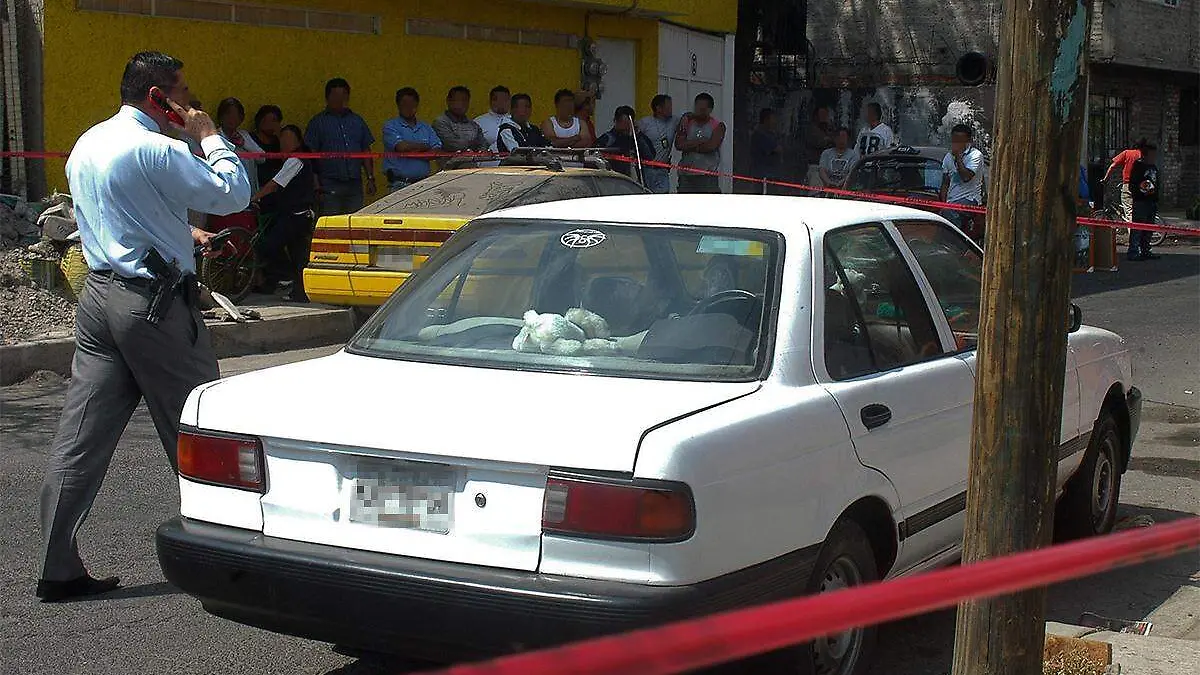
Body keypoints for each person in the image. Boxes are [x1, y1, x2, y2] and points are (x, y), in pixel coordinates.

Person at [36, 51, 250, 603]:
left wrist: (187, 239)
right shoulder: (156, 147)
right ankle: (232, 564)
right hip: (154, 308)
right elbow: (233, 194)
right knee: (201, 429)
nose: (191, 101)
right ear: (160, 96)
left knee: (80, 439)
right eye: (183, 91)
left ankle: (56, 566)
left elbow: (125, 212)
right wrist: (209, 137)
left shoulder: (90, 141)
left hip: (100, 297)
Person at [251, 125, 318, 301]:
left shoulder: (295, 160)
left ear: (298, 141)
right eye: (283, 138)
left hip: (296, 215)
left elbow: (275, 184)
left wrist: (254, 198)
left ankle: (285, 278)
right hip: (297, 214)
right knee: (298, 255)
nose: (285, 142)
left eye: (289, 138)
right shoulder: (295, 160)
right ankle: (299, 291)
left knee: (269, 246)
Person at [304, 78, 376, 216]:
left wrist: (370, 178)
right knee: (331, 224)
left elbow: (366, 151)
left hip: (355, 184)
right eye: (335, 96)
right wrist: (316, 186)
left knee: (354, 223)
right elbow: (310, 156)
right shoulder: (317, 122)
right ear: (327, 98)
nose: (339, 100)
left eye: (343, 96)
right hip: (329, 184)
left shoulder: (357, 121)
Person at [382, 87, 442, 191]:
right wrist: (424, 147)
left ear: (417, 105)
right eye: (404, 104)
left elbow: (436, 151)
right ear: (398, 105)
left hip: (423, 183)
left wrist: (412, 151)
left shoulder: (425, 127)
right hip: (399, 184)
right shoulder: (390, 126)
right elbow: (401, 147)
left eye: (412, 104)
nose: (408, 108)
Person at [939, 123, 986, 239]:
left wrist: (958, 157)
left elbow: (966, 177)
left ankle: (953, 243)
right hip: (952, 201)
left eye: (960, 141)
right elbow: (945, 183)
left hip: (970, 199)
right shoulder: (948, 157)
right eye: (954, 140)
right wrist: (942, 203)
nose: (956, 144)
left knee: (950, 213)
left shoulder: (976, 155)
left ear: (968, 141)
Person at [674, 92, 726, 194]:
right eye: (697, 108)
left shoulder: (718, 126)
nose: (699, 112)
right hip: (686, 176)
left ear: (710, 110)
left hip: (707, 177)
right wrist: (700, 141)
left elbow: (710, 146)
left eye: (702, 109)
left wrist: (688, 145)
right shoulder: (687, 122)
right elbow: (678, 144)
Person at [216, 97, 265, 192]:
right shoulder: (215, 136)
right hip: (228, 191)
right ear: (221, 117)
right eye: (228, 114)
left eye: (236, 115)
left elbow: (262, 158)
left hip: (250, 192)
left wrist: (244, 143)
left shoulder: (244, 135)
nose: (232, 119)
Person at [593, 105, 655, 180]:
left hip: (634, 179)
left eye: (628, 124)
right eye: (623, 123)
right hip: (613, 179)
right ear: (615, 121)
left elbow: (650, 156)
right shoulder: (608, 139)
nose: (626, 127)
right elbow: (594, 157)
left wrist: (638, 135)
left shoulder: (636, 138)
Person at [637, 94, 677, 194]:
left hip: (663, 170)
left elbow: (688, 115)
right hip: (647, 170)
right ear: (658, 108)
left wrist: (686, 117)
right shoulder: (645, 122)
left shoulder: (674, 121)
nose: (671, 109)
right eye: (668, 106)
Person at [1127, 143, 1160, 261]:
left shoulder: (1153, 167)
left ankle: (1146, 250)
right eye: (1152, 154)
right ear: (1146, 155)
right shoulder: (1138, 166)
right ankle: (1133, 251)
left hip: (1151, 201)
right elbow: (1133, 185)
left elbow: (1156, 183)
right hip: (1141, 201)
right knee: (1138, 227)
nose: (1154, 157)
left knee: (1149, 228)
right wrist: (1142, 191)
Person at [1102, 139, 1145, 225]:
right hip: (1142, 186)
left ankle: (1133, 235)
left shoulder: (1127, 153)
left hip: (1128, 184)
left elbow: (1112, 166)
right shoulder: (1144, 155)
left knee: (1129, 211)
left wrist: (1105, 179)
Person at [433, 86, 487, 152]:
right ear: (448, 101)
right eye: (457, 100)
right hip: (450, 162)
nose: (460, 104)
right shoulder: (440, 122)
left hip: (474, 161)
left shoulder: (473, 125)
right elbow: (453, 145)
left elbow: (483, 145)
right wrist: (474, 144)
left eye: (464, 100)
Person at [748, 108, 783, 193]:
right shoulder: (760, 135)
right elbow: (777, 149)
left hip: (770, 174)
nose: (775, 122)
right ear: (766, 120)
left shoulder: (769, 134)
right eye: (773, 118)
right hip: (764, 175)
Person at [251, 105, 284, 185]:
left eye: (276, 121)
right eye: (272, 120)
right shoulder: (250, 140)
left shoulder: (278, 142)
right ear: (260, 121)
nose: (275, 124)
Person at [474, 85, 512, 152]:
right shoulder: (478, 122)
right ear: (491, 101)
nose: (501, 103)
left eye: (505, 100)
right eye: (497, 99)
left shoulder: (516, 122)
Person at [805, 106, 835, 186]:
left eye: (826, 114)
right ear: (816, 116)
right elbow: (822, 142)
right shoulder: (811, 129)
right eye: (822, 114)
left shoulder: (830, 129)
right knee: (816, 191)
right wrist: (828, 139)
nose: (824, 117)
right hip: (815, 166)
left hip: (829, 168)